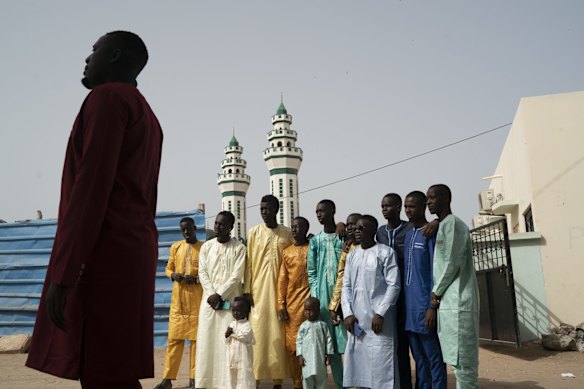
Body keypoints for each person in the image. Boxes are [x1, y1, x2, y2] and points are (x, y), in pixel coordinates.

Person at [25, 31, 162, 389]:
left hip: (105, 252)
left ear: (114, 55)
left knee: (102, 369)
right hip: (134, 251)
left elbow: (90, 190)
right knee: (116, 368)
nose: (87, 59)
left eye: (94, 51)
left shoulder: (108, 98)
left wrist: (64, 272)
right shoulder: (147, 114)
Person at [426, 184, 479, 389]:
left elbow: (451, 262)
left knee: (464, 364)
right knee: (456, 361)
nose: (428, 202)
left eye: (432, 198)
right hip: (449, 303)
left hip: (459, 301)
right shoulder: (443, 224)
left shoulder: (454, 224)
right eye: (427, 198)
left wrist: (435, 293)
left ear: (446, 199)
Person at [342, 215, 401, 389]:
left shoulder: (385, 252)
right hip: (357, 320)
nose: (357, 232)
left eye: (362, 229)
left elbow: (394, 285)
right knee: (359, 368)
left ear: (373, 231)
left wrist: (381, 313)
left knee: (382, 368)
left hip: (379, 321)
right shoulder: (352, 255)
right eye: (356, 228)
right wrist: (348, 313)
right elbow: (346, 286)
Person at [244, 195, 293, 388]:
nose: (264, 212)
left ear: (276, 210)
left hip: (280, 293)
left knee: (277, 335)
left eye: (268, 209)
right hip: (258, 292)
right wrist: (247, 290)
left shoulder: (286, 234)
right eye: (262, 209)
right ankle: (255, 378)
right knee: (257, 333)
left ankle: (277, 380)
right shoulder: (254, 232)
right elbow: (248, 264)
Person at [195, 211, 247, 389]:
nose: (217, 227)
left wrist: (220, 295)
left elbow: (236, 275)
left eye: (222, 224)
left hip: (229, 303)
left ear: (231, 228)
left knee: (229, 343)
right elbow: (202, 272)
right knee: (207, 342)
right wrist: (212, 295)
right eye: (216, 223)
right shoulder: (206, 247)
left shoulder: (239, 248)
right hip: (209, 304)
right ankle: (205, 384)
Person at [403, 192, 447, 389]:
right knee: (419, 359)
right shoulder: (409, 234)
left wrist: (432, 306)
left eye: (412, 206)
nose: (408, 211)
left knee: (434, 358)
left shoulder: (430, 233)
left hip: (425, 307)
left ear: (422, 207)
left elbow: (437, 272)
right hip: (410, 309)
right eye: (406, 207)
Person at [155, 218, 203, 389]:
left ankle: (194, 378)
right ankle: (167, 379)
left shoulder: (204, 248)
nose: (186, 233)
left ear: (195, 228)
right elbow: (168, 268)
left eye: (189, 229)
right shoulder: (176, 247)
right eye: (183, 230)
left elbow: (209, 274)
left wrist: (197, 279)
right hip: (178, 303)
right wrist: (173, 275)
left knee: (197, 342)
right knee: (174, 340)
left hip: (197, 302)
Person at [306, 199, 347, 388]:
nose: (319, 214)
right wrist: (316, 296)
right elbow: (312, 272)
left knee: (347, 344)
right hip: (323, 300)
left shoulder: (343, 236)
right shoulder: (315, 241)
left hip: (344, 297)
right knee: (329, 347)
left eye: (322, 211)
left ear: (333, 211)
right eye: (317, 211)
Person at [375, 193, 413, 389]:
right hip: (388, 297)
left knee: (407, 347)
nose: (384, 209)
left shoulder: (409, 228)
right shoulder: (380, 232)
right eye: (382, 206)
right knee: (392, 348)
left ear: (398, 207)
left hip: (408, 294)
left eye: (388, 206)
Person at [276, 216, 311, 389]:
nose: (295, 229)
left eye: (299, 226)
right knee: (293, 346)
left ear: (306, 229)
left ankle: (311, 381)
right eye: (293, 227)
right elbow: (282, 280)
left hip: (311, 304)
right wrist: (281, 305)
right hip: (292, 304)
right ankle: (297, 382)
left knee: (312, 344)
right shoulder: (287, 252)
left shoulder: (313, 248)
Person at [329, 212, 361, 326]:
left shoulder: (375, 249)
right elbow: (341, 277)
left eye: (354, 224)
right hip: (350, 302)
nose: (351, 227)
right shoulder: (347, 250)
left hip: (369, 302)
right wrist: (334, 306)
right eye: (348, 225)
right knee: (355, 336)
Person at [296, 297, 334, 389]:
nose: (308, 312)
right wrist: (300, 355)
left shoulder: (322, 325)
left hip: (320, 359)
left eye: (311, 310)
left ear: (318, 311)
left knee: (321, 380)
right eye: (306, 310)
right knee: (307, 379)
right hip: (306, 360)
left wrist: (328, 355)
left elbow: (328, 340)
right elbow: (299, 341)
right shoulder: (303, 326)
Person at [225, 295, 256, 389]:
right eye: (233, 311)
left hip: (243, 356)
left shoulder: (247, 325)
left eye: (238, 311)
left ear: (246, 312)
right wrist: (226, 335)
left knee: (244, 376)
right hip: (232, 356)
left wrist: (233, 332)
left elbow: (245, 336)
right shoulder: (232, 323)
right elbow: (227, 341)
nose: (235, 313)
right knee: (232, 376)